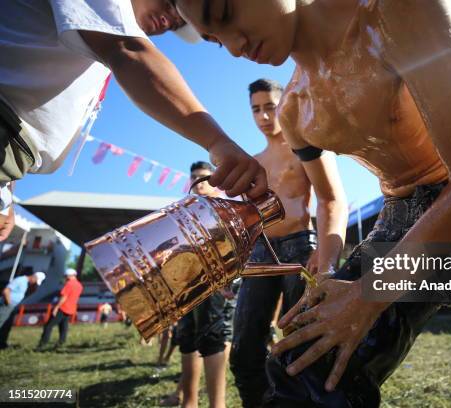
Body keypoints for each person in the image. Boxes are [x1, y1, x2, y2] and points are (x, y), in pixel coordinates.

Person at [176, 1, 451, 407]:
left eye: (226, 11)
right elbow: (328, 199)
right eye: (215, 39)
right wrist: (326, 275)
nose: (234, 47)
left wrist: (368, 294)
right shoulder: (295, 112)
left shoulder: (391, 10)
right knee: (302, 369)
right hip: (400, 224)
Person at [0, 0, 267, 242]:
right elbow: (129, 51)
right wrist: (217, 140)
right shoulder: (113, 28)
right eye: (171, 3)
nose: (172, 19)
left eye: (179, 23)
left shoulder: (93, 29)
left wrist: (7, 193)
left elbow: (25, 97)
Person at [229, 78, 348, 408]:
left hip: (300, 248)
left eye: (270, 107)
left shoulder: (305, 146)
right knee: (244, 346)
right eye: (256, 109)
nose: (264, 116)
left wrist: (325, 256)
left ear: (282, 107)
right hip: (260, 251)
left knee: (300, 345)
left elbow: (332, 200)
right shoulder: (253, 161)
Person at [161, 161, 235, 408]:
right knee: (187, 336)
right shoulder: (185, 209)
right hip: (187, 282)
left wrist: (226, 280)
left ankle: (217, 405)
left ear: (216, 181)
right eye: (194, 177)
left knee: (213, 336)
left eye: (205, 178)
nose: (199, 182)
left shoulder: (224, 208)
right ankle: (187, 401)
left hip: (215, 281)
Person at [37, 268, 83, 350]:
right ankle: (61, 342)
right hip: (71, 308)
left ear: (68, 276)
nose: (65, 278)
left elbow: (64, 296)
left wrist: (57, 307)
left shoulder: (69, 284)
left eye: (66, 276)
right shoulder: (79, 285)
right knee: (63, 326)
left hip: (63, 307)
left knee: (48, 326)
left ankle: (42, 344)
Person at [0, 268, 46, 349]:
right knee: (1, 322)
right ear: (34, 277)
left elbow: (28, 293)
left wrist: (34, 288)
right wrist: (9, 303)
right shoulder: (20, 280)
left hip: (12, 307)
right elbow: (6, 291)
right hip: (7, 305)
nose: (35, 283)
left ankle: (2, 343)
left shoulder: (27, 284)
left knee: (6, 326)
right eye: (36, 281)